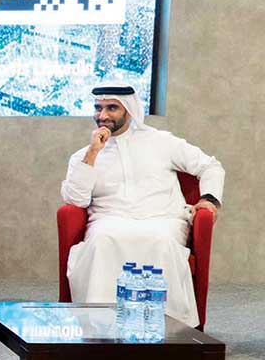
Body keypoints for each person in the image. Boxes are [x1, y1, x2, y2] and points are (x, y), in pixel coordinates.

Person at [61, 84, 224, 328]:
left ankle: (171, 331)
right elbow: (76, 200)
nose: (102, 115)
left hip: (162, 219)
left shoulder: (161, 142)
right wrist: (93, 152)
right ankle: (99, 329)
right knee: (101, 242)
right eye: (98, 108)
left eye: (111, 108)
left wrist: (209, 199)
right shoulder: (85, 155)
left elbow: (210, 166)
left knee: (161, 241)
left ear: (129, 110)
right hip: (108, 220)